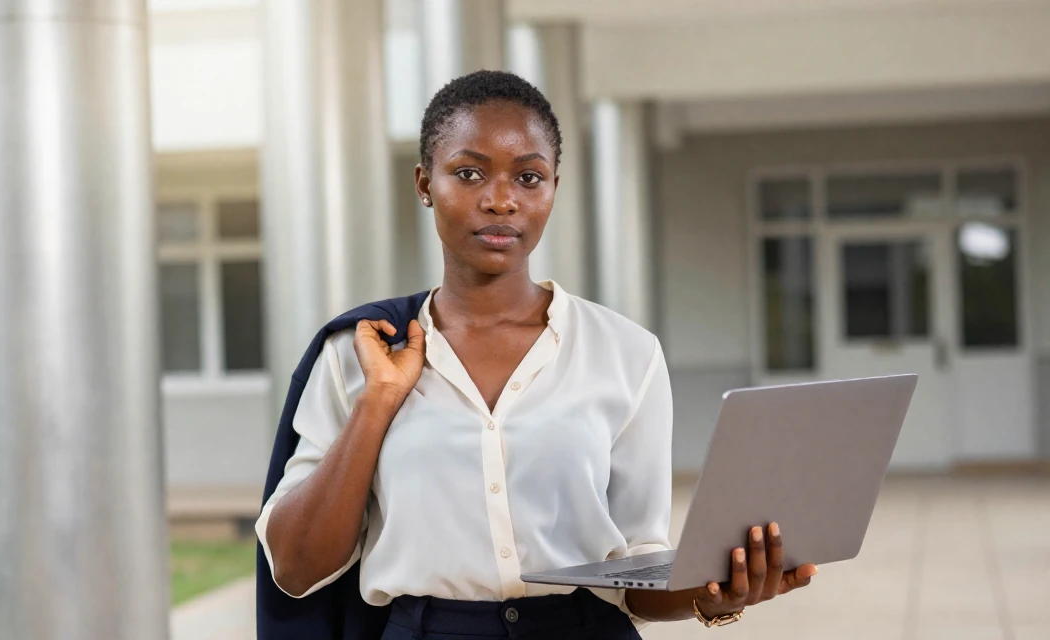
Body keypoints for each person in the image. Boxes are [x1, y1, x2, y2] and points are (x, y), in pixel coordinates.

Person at [256, 70, 819, 639]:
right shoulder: (360, 350)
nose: (502, 200)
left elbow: (635, 573)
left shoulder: (625, 352)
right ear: (425, 184)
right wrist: (378, 400)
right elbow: (296, 570)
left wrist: (719, 593)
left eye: (529, 177)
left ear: (552, 188)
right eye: (470, 172)